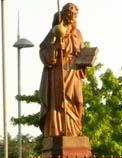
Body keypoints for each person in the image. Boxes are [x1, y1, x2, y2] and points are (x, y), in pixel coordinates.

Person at [39, 2, 86, 137]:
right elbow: (43, 50)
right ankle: (59, 131)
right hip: (60, 69)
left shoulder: (78, 33)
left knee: (78, 101)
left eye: (75, 15)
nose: (73, 17)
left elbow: (82, 51)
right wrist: (55, 47)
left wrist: (87, 58)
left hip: (74, 70)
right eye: (70, 14)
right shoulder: (56, 31)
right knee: (60, 101)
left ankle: (76, 129)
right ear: (65, 14)